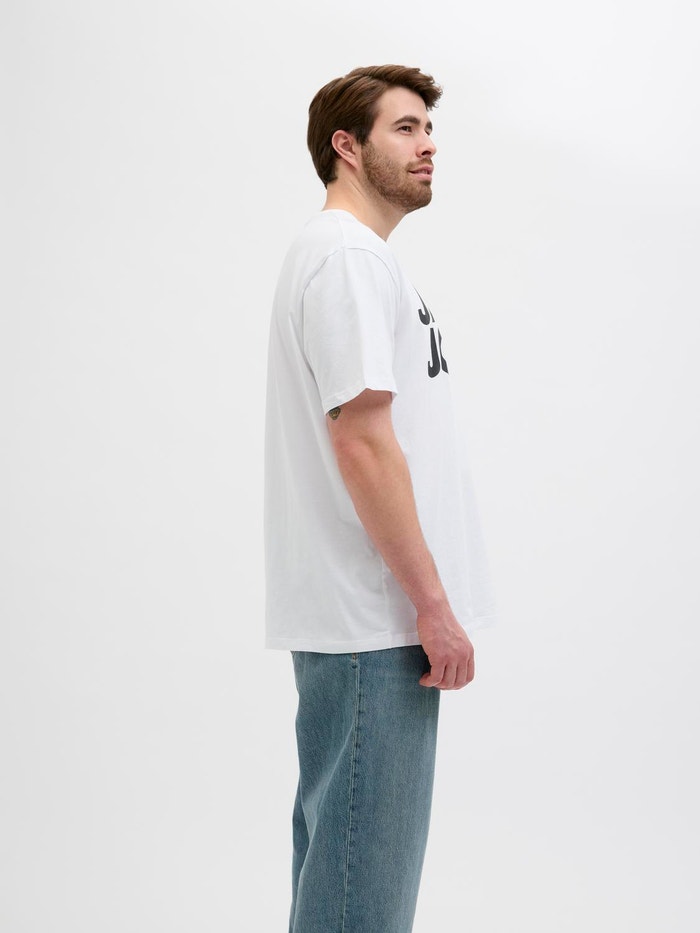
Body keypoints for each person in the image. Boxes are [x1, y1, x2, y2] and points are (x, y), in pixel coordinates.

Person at [264, 64, 496, 933]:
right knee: (362, 899)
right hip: (377, 624)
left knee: (344, 880)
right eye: (405, 127)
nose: (428, 144)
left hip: (364, 624)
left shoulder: (347, 257)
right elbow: (361, 441)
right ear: (347, 146)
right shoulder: (350, 258)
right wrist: (432, 606)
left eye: (429, 128)